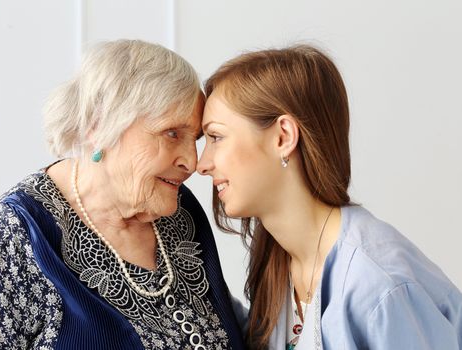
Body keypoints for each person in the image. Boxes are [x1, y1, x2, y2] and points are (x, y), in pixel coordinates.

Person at [0, 40, 245, 349]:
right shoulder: (19, 231)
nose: (191, 162)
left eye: (194, 139)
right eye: (172, 134)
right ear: (99, 125)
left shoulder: (179, 211)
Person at [197, 45, 462, 349]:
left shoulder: (377, 285)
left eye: (216, 137)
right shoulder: (278, 260)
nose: (202, 164)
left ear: (283, 137)